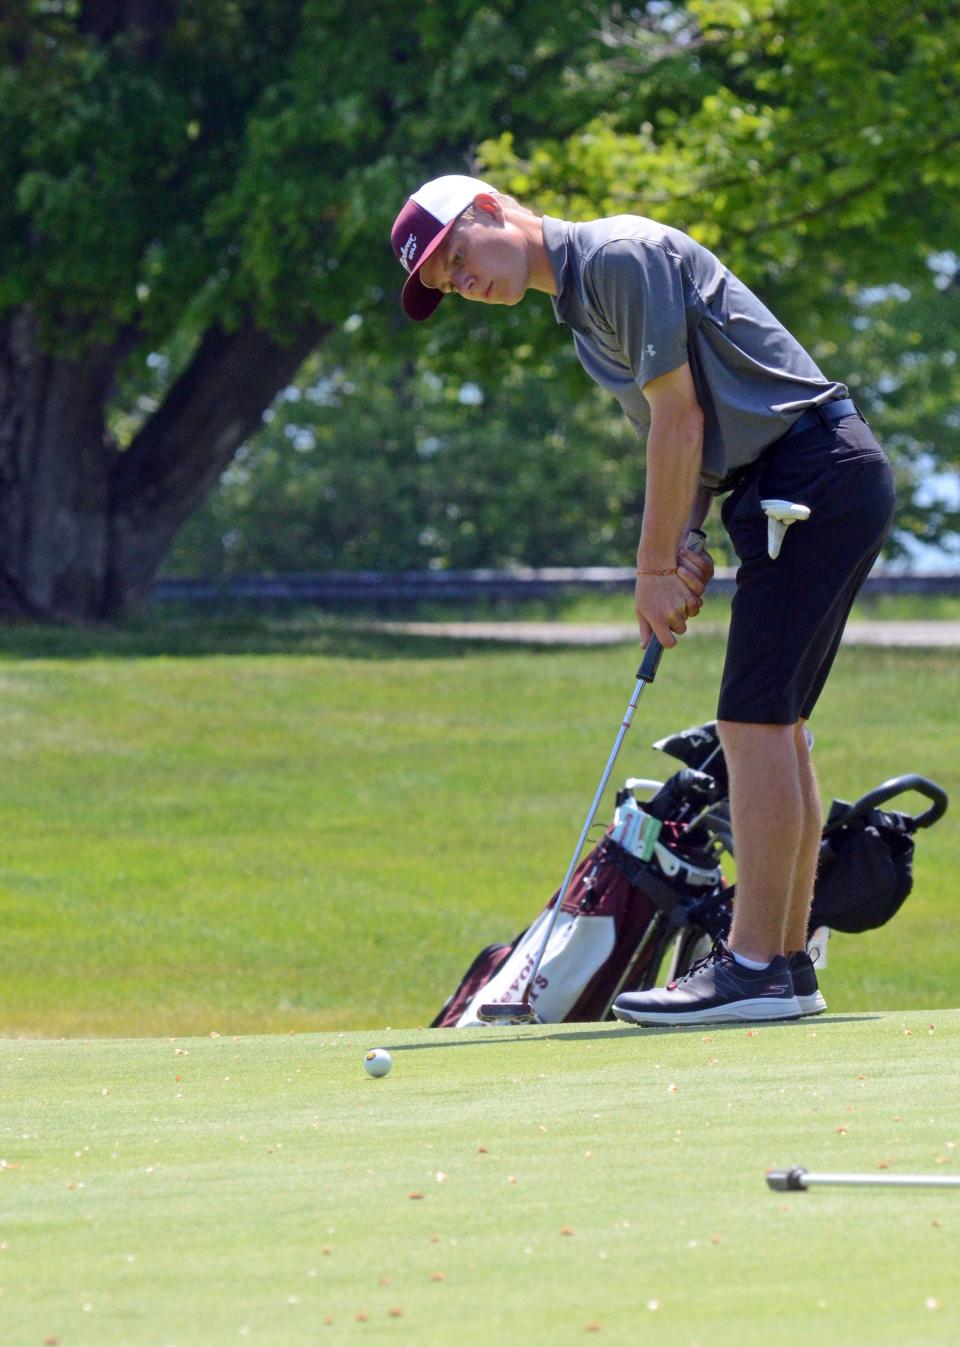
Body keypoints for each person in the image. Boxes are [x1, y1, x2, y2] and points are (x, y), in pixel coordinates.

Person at [389, 174, 896, 1025]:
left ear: (490, 209)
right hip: (791, 481)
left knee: (753, 723)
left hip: (811, 470)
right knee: (773, 720)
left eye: (457, 257)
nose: (462, 283)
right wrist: (686, 540)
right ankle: (784, 966)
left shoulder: (618, 256)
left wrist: (654, 565)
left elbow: (680, 420)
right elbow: (689, 453)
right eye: (445, 283)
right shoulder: (587, 314)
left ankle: (752, 966)